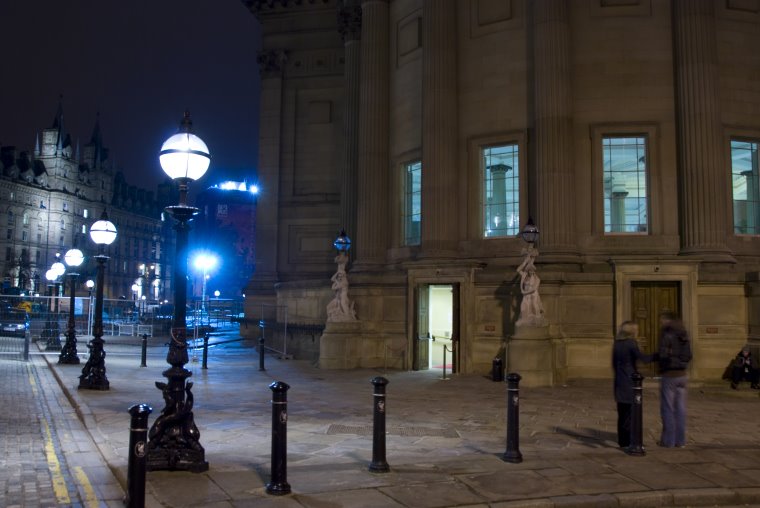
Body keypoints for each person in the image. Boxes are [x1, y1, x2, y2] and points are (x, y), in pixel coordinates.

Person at [612, 321, 656, 450]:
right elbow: (644, 359)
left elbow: (614, 364)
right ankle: (632, 441)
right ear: (631, 331)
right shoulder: (631, 343)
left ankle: (623, 441)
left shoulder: (617, 344)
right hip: (630, 382)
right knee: (632, 413)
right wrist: (659, 356)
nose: (637, 331)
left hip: (619, 381)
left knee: (622, 413)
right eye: (636, 329)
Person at [657, 312, 692, 448]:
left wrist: (664, 365)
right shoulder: (683, 333)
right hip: (682, 375)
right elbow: (688, 355)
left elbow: (663, 355)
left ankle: (668, 441)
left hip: (670, 375)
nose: (661, 322)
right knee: (681, 409)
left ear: (667, 320)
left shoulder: (667, 333)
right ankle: (680, 441)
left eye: (662, 320)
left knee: (667, 408)